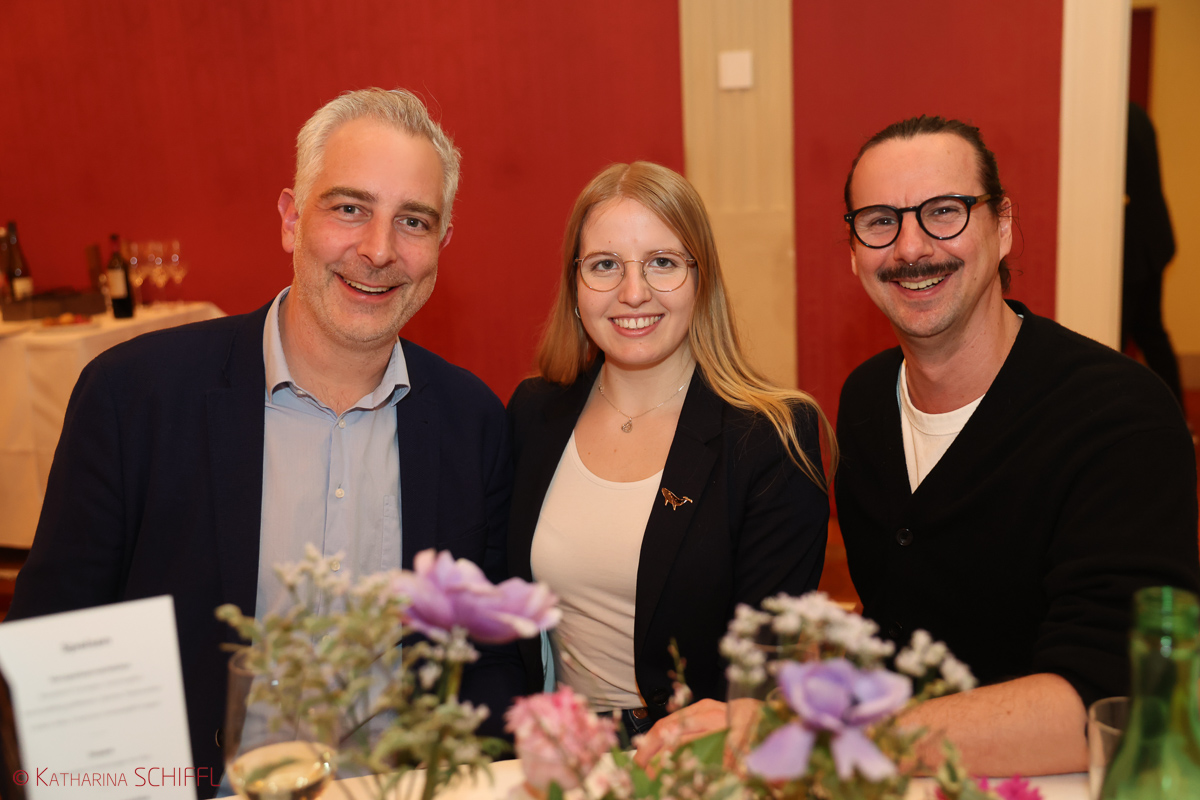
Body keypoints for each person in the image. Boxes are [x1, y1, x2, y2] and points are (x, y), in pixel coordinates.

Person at [8, 88, 522, 796]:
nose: (379, 250)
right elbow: (53, 648)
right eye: (350, 209)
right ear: (291, 219)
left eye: (413, 221)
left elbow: (487, 658)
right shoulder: (134, 398)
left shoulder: (474, 423)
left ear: (441, 246)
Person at [833, 116, 1199, 775]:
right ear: (854, 251)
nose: (911, 247)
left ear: (1001, 226)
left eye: (944, 211)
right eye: (880, 220)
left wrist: (831, 737)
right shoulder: (865, 402)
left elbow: (1111, 701)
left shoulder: (1119, 417)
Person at [506, 162, 832, 736]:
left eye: (662, 262)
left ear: (701, 279)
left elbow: (771, 671)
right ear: (575, 285)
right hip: (550, 748)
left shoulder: (770, 437)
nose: (634, 293)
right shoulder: (533, 414)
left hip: (691, 755)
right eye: (605, 265)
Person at [1122, 100, 1186, 413]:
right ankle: (1179, 418)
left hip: (1135, 245)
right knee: (1150, 331)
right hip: (1149, 239)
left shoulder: (1112, 117)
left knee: (1120, 334)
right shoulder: (1134, 113)